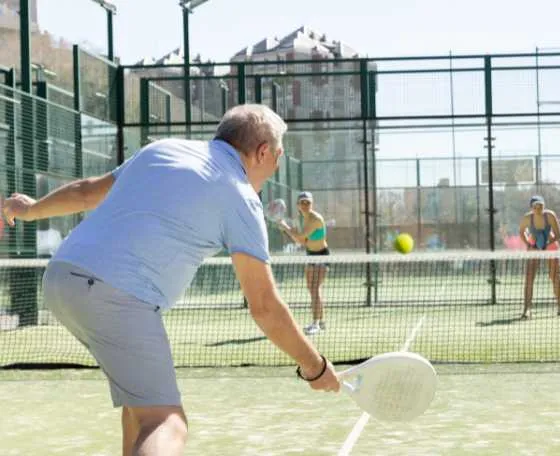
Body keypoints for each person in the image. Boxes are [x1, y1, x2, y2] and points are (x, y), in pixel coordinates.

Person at [1, 104, 340, 456]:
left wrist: (31, 209)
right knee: (167, 422)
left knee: (140, 406)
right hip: (115, 295)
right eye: (277, 158)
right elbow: (265, 307)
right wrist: (315, 367)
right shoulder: (241, 197)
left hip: (61, 277)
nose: (275, 168)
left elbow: (88, 192)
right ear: (263, 152)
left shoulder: (161, 149)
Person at [279, 192, 329, 335]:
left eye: (308, 202)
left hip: (321, 255)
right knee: (311, 288)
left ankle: (316, 324)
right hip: (310, 255)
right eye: (302, 202)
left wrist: (285, 227)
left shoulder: (315, 219)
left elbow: (300, 237)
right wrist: (289, 230)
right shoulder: (303, 218)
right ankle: (321, 321)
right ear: (298, 205)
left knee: (315, 288)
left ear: (312, 204)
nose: (305, 205)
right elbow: (301, 241)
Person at [517, 195, 560, 319]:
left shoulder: (550, 215)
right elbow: (521, 232)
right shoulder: (527, 218)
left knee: (555, 276)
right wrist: (529, 244)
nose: (538, 208)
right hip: (533, 245)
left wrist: (546, 243)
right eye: (535, 206)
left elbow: (558, 234)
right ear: (531, 208)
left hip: (550, 244)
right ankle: (527, 309)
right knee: (529, 277)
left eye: (541, 205)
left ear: (544, 206)